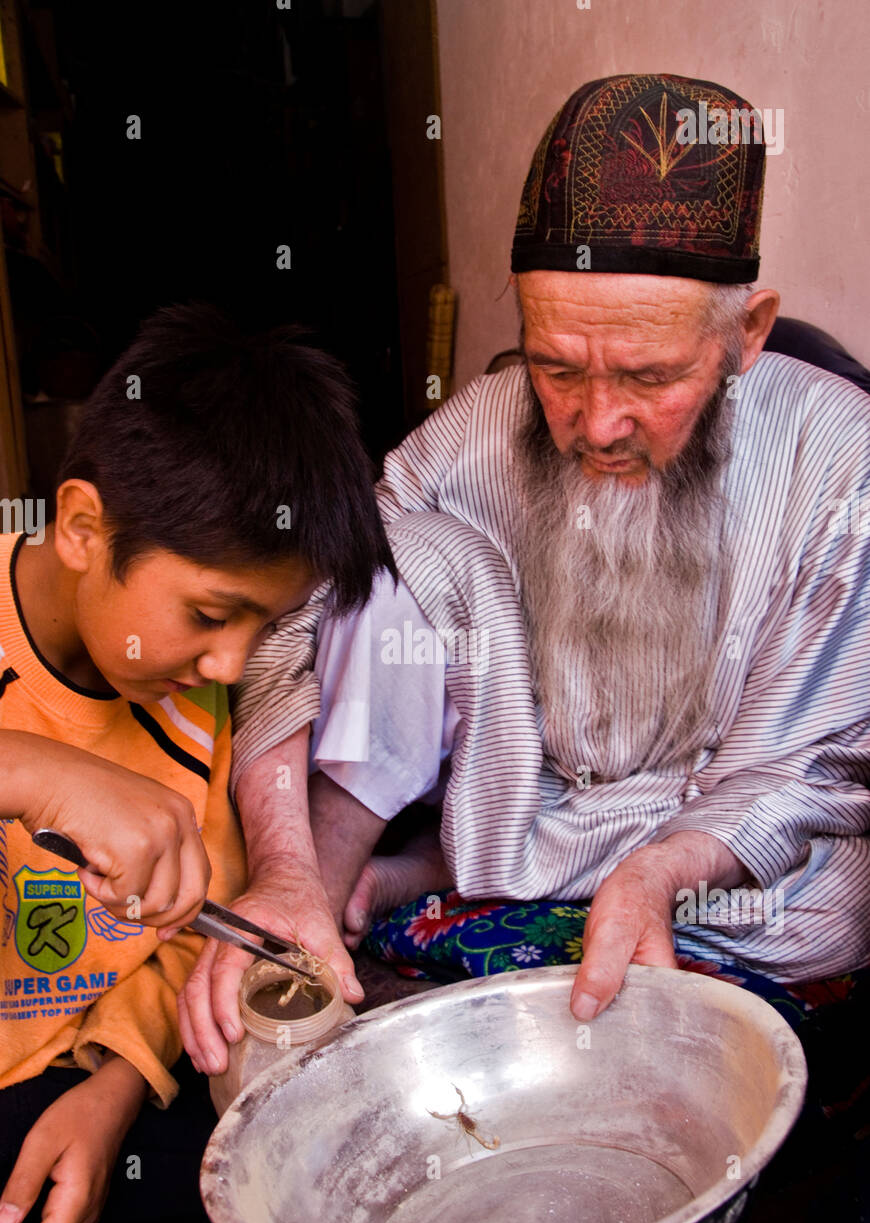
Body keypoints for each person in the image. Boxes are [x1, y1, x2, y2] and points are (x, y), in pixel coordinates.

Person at [180, 74, 870, 1079]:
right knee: (388, 561)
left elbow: (819, 768)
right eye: (557, 368)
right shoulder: (487, 425)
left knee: (807, 914)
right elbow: (309, 592)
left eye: (649, 378)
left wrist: (664, 869)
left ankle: (451, 880)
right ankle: (320, 898)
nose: (596, 423)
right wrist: (283, 867)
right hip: (538, 809)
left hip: (737, 879)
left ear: (748, 332)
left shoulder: (843, 457)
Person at [0, 303, 393, 1223]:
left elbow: (183, 933)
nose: (229, 661)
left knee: (324, 1210)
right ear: (86, 526)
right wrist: (37, 769)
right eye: (211, 615)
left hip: (96, 1068)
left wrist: (113, 1088)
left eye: (258, 627)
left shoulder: (197, 696)